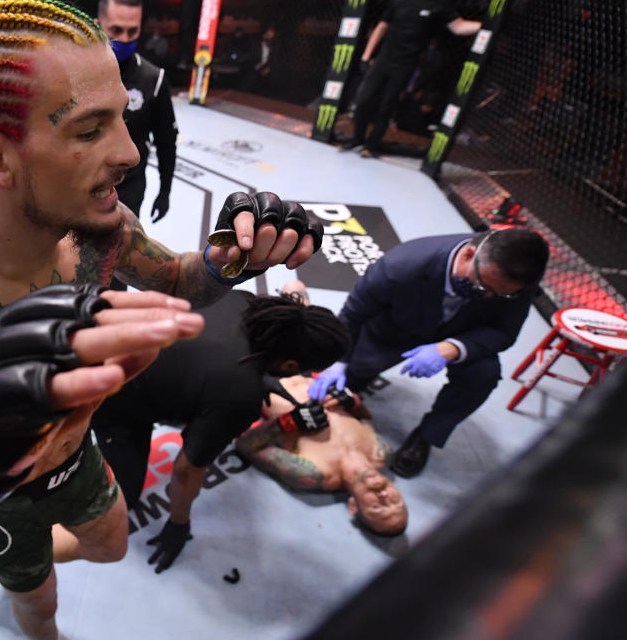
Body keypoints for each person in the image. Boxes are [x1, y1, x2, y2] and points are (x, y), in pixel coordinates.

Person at [0, 0, 320, 640]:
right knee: (40, 607)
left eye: (121, 119)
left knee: (111, 545)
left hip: (80, 450)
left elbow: (182, 280)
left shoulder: (98, 227)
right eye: (88, 129)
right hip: (1, 499)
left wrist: (236, 256)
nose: (131, 153)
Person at [92, 288, 350, 572]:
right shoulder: (238, 399)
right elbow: (186, 470)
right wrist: (179, 523)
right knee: (124, 498)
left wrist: (257, 377)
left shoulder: (244, 301)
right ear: (289, 365)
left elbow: (216, 347)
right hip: (112, 399)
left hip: (114, 341)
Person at [309, 229, 550, 478]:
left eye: (501, 294)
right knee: (348, 380)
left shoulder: (516, 280)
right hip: (399, 324)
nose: (491, 296)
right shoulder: (403, 265)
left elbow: (503, 332)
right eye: (484, 287)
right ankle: (360, 371)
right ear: (469, 255)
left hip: (464, 330)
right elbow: (354, 313)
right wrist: (339, 360)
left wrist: (453, 348)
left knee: (483, 374)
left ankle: (426, 436)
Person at [237, 372, 408, 537]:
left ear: (354, 506)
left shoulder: (312, 474)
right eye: (395, 502)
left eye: (377, 507)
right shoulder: (381, 452)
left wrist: (287, 423)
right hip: (307, 368)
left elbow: (247, 447)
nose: (383, 496)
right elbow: (364, 418)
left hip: (258, 379)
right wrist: (352, 401)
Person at [341, 0, 482, 156]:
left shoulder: (440, 3)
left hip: (406, 64)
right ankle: (357, 138)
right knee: (363, 100)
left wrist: (487, 25)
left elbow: (458, 27)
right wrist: (366, 56)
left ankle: (372, 146)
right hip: (384, 58)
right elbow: (382, 26)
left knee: (387, 106)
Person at [96, 0, 177, 226]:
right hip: (79, 187)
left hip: (128, 191)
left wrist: (165, 192)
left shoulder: (154, 79)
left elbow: (166, 142)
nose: (124, 39)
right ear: (98, 23)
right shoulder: (74, 73)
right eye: (116, 30)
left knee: (121, 259)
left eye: (133, 31)